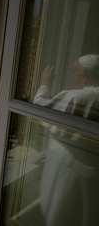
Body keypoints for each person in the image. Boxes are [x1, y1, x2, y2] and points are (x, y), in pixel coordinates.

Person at [33, 54, 99, 225]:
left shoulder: (79, 98)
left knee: (59, 211)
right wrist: (49, 151)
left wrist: (45, 85)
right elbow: (81, 136)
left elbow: (40, 108)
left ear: (83, 77)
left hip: (68, 166)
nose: (71, 76)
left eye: (74, 73)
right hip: (90, 165)